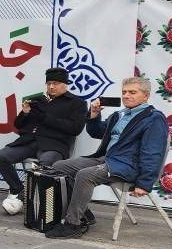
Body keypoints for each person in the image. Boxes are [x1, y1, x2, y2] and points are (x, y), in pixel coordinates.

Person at [45, 76, 168, 239]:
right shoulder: (120, 115)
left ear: (146, 96)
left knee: (85, 175)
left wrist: (145, 183)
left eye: (132, 92)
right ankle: (83, 213)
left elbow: (152, 152)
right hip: (106, 159)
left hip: (127, 165)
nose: (126, 96)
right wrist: (94, 115)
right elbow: (96, 132)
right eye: (124, 92)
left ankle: (72, 224)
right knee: (59, 166)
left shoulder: (154, 118)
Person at [0, 67, 87, 214]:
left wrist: (45, 117)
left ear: (65, 84)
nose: (51, 86)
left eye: (56, 83)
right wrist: (24, 113)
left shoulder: (77, 103)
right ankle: (19, 190)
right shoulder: (38, 100)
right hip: (30, 141)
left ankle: (39, 202)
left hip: (54, 144)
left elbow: (75, 128)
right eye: (49, 83)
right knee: (1, 156)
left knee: (46, 164)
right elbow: (18, 125)